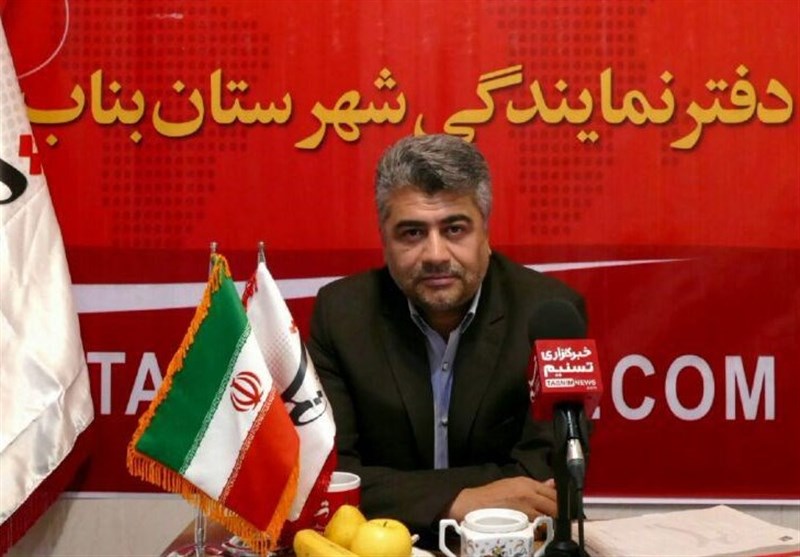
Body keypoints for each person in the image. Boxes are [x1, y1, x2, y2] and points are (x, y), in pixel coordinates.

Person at [307, 134, 586, 545]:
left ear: (485, 230)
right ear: (384, 238)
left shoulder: (547, 314)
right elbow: (331, 479)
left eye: (454, 229)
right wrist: (457, 501)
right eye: (412, 233)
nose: (435, 254)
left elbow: (545, 479)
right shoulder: (341, 315)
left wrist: (404, 491)